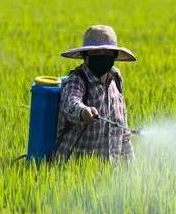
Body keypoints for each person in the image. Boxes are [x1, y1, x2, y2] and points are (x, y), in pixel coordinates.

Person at [54, 25, 136, 163]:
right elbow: (70, 101)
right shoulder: (78, 79)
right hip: (73, 168)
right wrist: (83, 111)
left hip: (106, 172)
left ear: (114, 56)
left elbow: (123, 131)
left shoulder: (116, 79)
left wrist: (132, 168)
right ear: (85, 56)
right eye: (96, 53)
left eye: (107, 54)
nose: (102, 58)